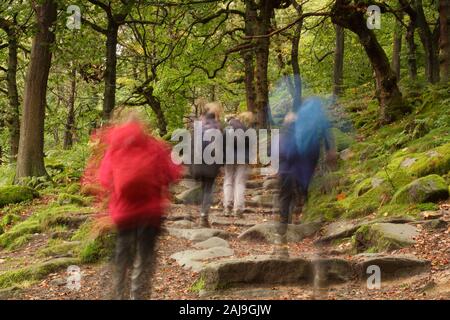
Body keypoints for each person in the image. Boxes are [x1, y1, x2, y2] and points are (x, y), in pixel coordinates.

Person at [95, 113, 181, 299]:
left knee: (122, 256)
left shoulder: (115, 148)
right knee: (145, 257)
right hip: (150, 213)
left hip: (123, 212)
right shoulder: (154, 146)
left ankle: (119, 294)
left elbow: (103, 178)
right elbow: (172, 174)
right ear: (143, 127)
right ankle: (139, 295)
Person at [274, 97, 336, 257]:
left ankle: (282, 232)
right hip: (300, 166)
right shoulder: (310, 124)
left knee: (285, 196)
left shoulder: (286, 130)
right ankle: (297, 210)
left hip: (286, 168)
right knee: (299, 188)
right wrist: (329, 151)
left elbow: (275, 150)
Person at [189, 102, 223, 227]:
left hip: (198, 163)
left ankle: (194, 213)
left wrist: (191, 165)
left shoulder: (198, 125)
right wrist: (220, 165)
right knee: (208, 190)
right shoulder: (217, 127)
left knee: (203, 188)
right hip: (211, 164)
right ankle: (204, 215)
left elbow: (191, 146)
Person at [223, 111, 255, 218]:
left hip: (228, 158)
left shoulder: (227, 129)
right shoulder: (246, 129)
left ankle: (227, 206)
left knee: (228, 180)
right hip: (243, 159)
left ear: (228, 120)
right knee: (240, 183)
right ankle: (238, 208)